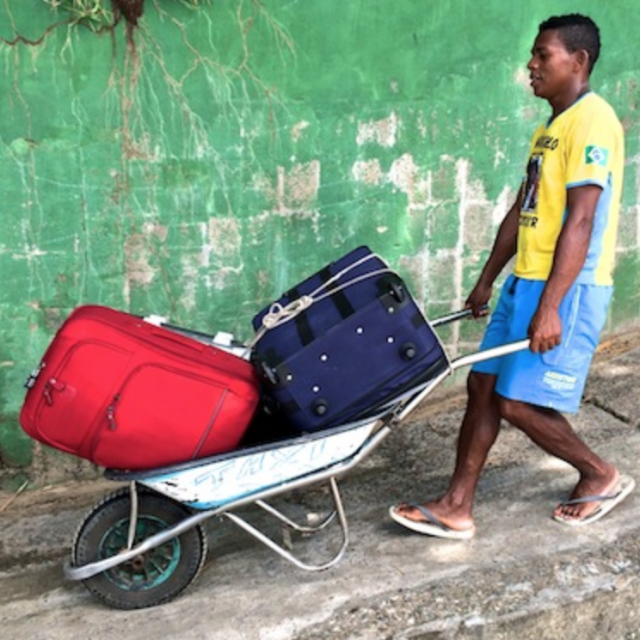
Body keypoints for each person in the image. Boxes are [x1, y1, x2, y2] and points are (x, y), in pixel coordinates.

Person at [390, 14, 634, 539]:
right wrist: (487, 280)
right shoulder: (549, 129)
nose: (531, 64)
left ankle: (600, 474)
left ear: (579, 61)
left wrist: (551, 305)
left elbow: (583, 219)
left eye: (543, 54)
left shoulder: (593, 121)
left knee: (515, 401)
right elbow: (520, 210)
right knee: (481, 386)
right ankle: (456, 505)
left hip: (566, 288)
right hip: (526, 280)